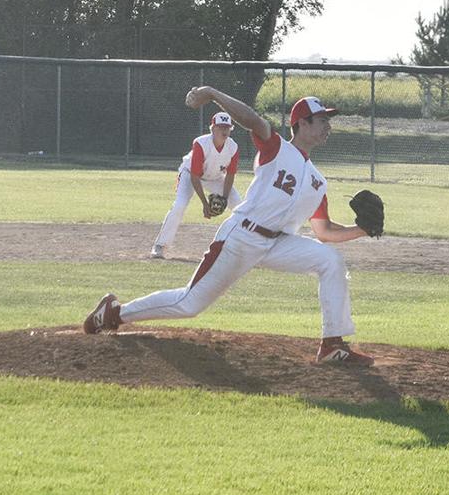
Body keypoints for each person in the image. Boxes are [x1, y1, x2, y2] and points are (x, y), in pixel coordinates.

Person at [84, 87, 375, 365]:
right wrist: (211, 94)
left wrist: (362, 229)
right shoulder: (276, 149)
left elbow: (324, 231)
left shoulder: (318, 181)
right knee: (189, 304)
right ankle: (115, 313)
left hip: (278, 244)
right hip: (242, 236)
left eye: (328, 120)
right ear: (301, 123)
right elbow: (250, 118)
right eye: (322, 119)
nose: (328, 125)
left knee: (330, 260)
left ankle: (332, 345)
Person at [150, 111, 243, 259]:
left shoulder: (233, 147)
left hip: (215, 177)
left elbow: (230, 175)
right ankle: (160, 245)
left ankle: (243, 247)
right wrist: (205, 204)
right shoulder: (201, 143)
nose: (224, 130)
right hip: (190, 174)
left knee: (239, 206)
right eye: (220, 127)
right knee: (180, 205)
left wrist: (224, 198)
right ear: (212, 129)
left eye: (227, 127)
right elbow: (195, 176)